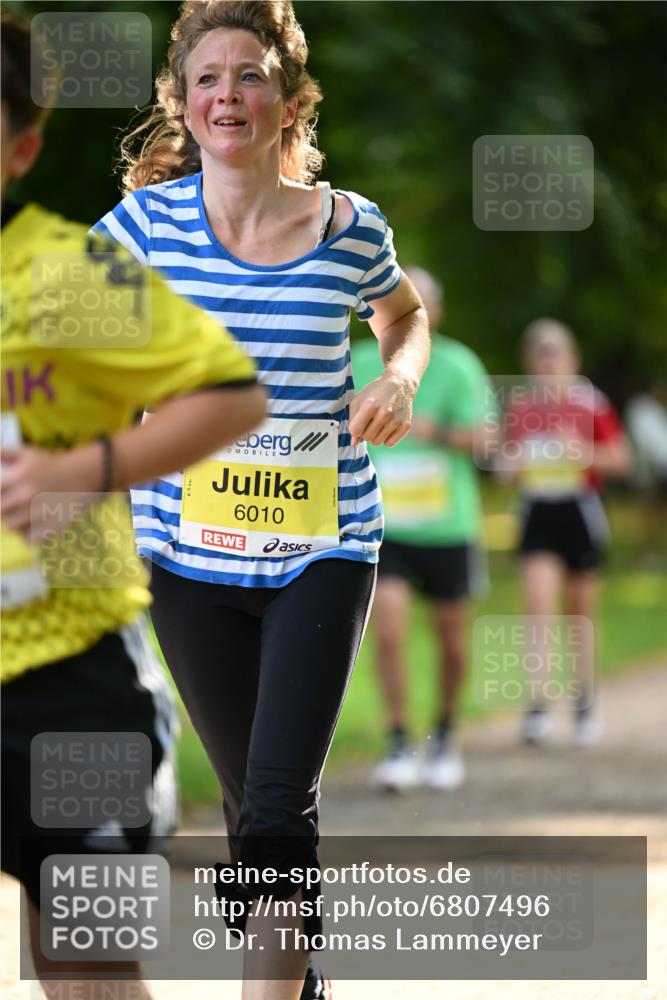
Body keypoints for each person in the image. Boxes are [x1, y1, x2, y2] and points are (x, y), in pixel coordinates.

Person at [92, 2, 430, 997]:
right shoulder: (143, 229)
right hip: (186, 559)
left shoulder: (348, 225)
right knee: (249, 806)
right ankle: (303, 977)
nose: (228, 94)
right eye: (207, 79)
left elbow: (401, 315)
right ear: (181, 101)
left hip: (324, 547)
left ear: (289, 98)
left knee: (279, 804)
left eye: (250, 75)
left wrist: (398, 377)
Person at [1, 12, 265, 999]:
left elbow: (232, 394)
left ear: (22, 147)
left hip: (73, 680)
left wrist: (88, 468)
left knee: (85, 963)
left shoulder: (62, 273)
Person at [353, 267, 494, 792]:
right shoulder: (359, 361)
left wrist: (431, 427)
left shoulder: (458, 365)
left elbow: (486, 441)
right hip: (383, 524)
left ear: (433, 311)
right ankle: (397, 739)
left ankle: (444, 734)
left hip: (447, 525)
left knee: (451, 641)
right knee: (387, 630)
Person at [502, 319, 631, 746]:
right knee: (539, 606)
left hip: (579, 513)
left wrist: (584, 452)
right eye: (541, 361)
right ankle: (538, 705)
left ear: (571, 360)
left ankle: (584, 701)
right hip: (538, 512)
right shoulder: (521, 407)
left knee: (579, 613)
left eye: (556, 359)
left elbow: (621, 460)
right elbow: (505, 467)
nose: (549, 368)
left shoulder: (591, 404)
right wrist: (512, 465)